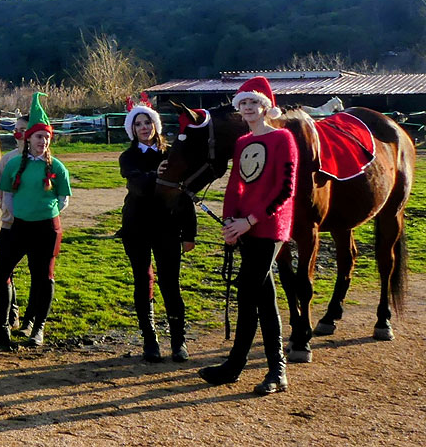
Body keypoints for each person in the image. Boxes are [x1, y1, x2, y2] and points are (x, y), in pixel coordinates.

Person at [199, 76, 297, 396]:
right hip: (244, 227)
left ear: (265, 106)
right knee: (262, 297)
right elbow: (235, 188)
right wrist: (230, 223)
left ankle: (238, 365)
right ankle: (274, 370)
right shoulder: (242, 143)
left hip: (269, 227)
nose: (248, 108)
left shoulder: (282, 138)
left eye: (253, 102)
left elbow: (285, 189)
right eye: (243, 104)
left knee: (247, 291)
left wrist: (250, 220)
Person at [0, 92, 71, 349]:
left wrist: (44, 213)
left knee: (43, 277)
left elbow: (63, 198)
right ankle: (3, 324)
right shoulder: (14, 164)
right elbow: (8, 195)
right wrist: (18, 217)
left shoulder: (57, 166)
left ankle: (38, 327)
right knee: (1, 271)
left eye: (47, 137)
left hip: (46, 228)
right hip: (19, 227)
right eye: (38, 136)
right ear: (28, 138)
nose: (43, 141)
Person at [119, 95, 196, 362]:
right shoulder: (127, 157)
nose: (144, 127)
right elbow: (137, 186)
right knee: (143, 282)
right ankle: (150, 340)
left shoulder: (171, 154)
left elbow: (185, 193)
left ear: (156, 125)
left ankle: (178, 341)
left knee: (171, 284)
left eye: (148, 122)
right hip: (137, 228)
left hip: (168, 227)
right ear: (132, 129)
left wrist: (190, 233)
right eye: (138, 123)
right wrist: (157, 175)